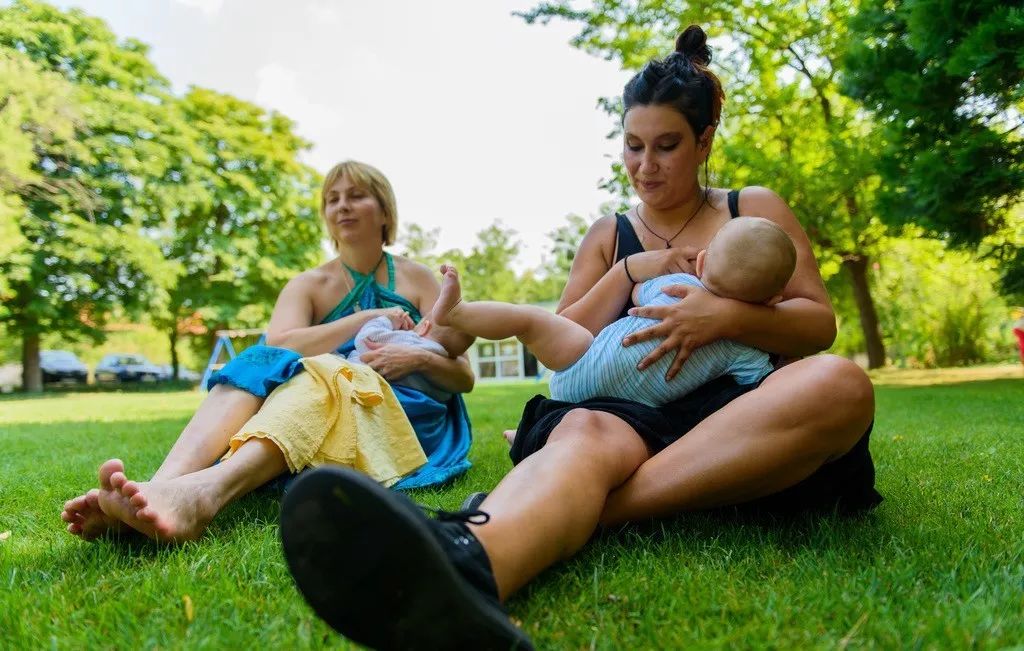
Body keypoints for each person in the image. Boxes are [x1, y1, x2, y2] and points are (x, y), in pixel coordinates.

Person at [278, 25, 882, 651]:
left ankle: (588, 509)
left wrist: (725, 319)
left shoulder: (750, 209)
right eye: (633, 147)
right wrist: (625, 272)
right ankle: (471, 561)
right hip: (620, 419)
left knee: (839, 383)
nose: (645, 167)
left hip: (739, 417)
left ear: (704, 142)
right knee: (586, 431)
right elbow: (562, 350)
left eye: (667, 146)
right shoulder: (607, 234)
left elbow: (817, 324)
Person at [59, 160, 476, 543]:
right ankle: (159, 489)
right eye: (332, 199)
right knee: (264, 360)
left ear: (385, 211)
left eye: (357, 196)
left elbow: (464, 375)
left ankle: (200, 497)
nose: (343, 207)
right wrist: (365, 319)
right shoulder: (308, 284)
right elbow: (278, 345)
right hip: (319, 389)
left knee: (327, 376)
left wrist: (418, 357)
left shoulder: (419, 278)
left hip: (398, 410)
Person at [431, 215, 795, 407]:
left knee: (528, 319)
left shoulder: (678, 284)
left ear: (702, 263)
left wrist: (637, 287)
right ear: (772, 299)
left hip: (578, 362)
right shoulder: (745, 349)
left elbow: (638, 294)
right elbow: (761, 385)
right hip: (627, 407)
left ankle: (459, 312)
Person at [348, 312, 473, 403]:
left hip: (355, 381)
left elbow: (366, 339)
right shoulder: (444, 385)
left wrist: (386, 320)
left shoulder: (412, 340)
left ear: (424, 327)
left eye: (418, 323)